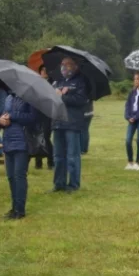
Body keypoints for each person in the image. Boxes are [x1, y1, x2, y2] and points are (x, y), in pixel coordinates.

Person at [0, 92, 39, 220]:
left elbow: (32, 117)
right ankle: (14, 207)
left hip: (22, 141)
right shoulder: (8, 98)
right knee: (11, 177)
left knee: (19, 176)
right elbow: (4, 115)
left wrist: (12, 115)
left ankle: (20, 210)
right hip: (8, 140)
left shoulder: (29, 97)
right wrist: (0, 121)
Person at [52, 57, 88, 193]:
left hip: (72, 122)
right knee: (58, 156)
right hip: (57, 122)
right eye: (62, 64)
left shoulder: (80, 82)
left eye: (67, 64)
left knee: (72, 156)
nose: (64, 67)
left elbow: (81, 100)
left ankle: (73, 184)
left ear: (75, 66)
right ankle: (58, 183)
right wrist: (55, 95)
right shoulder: (58, 81)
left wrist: (63, 97)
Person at [33, 65, 54, 170]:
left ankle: (51, 161)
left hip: (48, 114)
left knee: (46, 137)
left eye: (46, 70)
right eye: (42, 70)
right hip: (37, 113)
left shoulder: (53, 83)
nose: (44, 72)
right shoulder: (36, 84)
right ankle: (38, 162)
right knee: (37, 137)